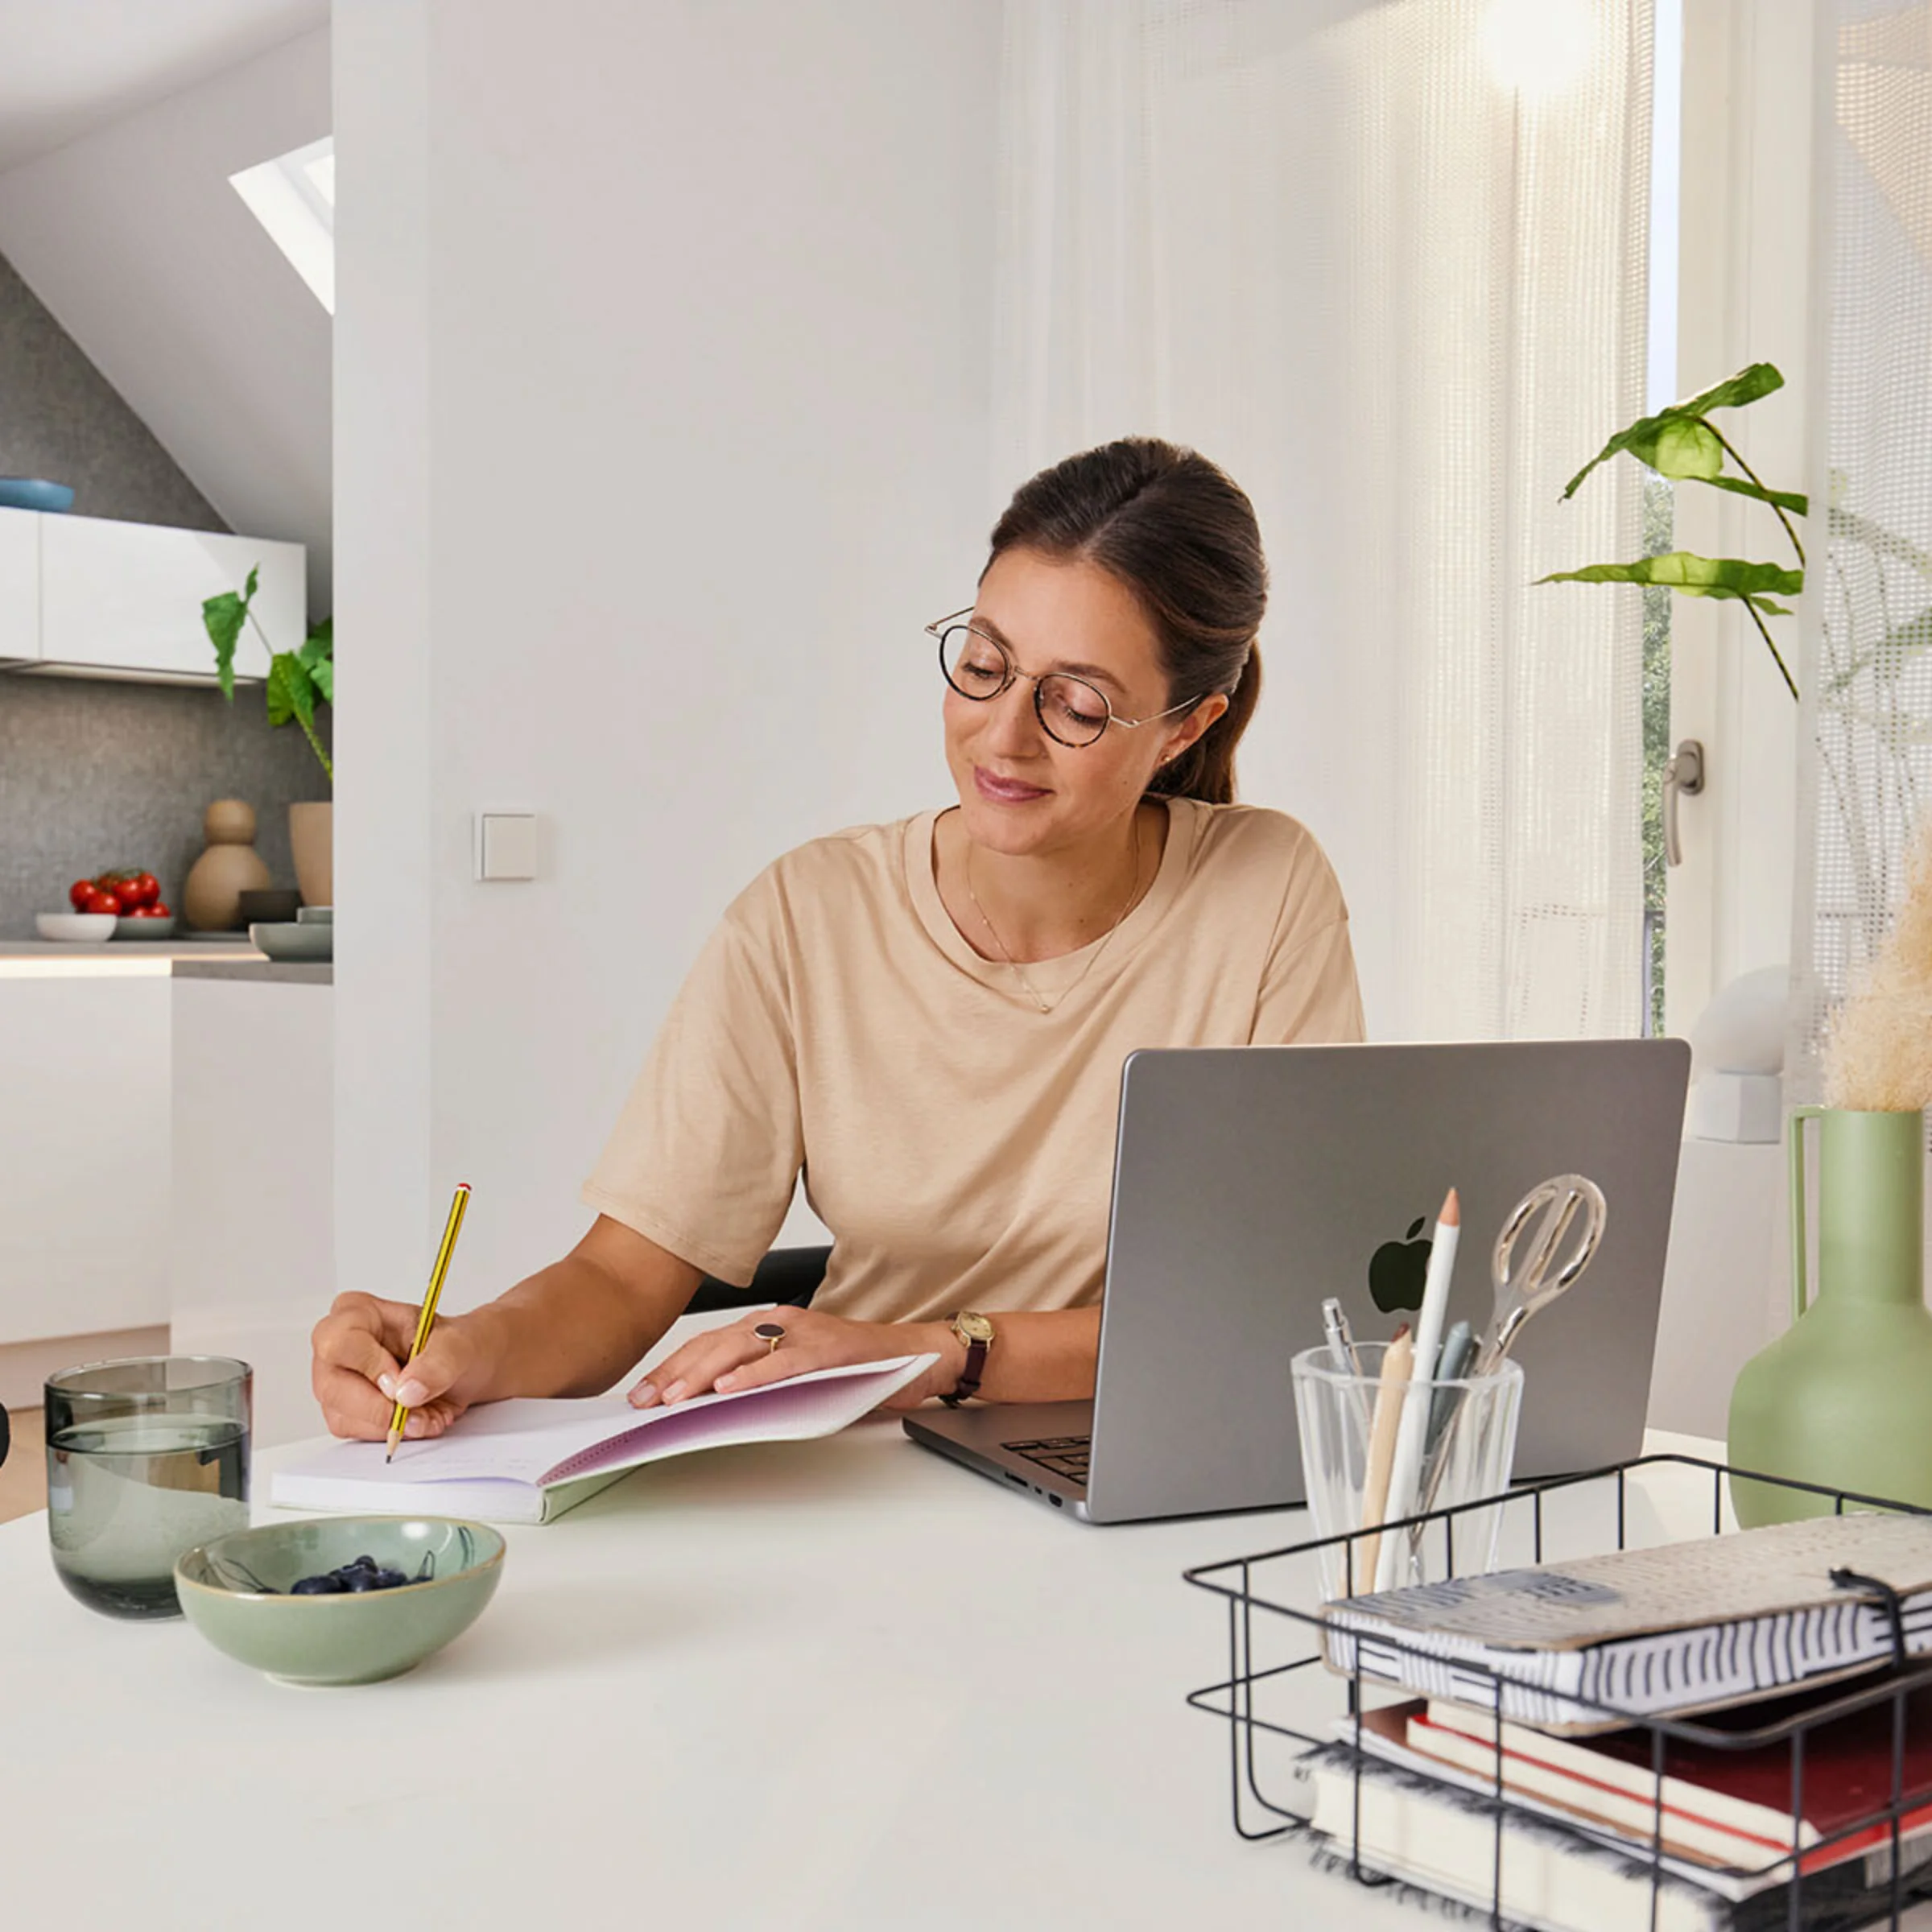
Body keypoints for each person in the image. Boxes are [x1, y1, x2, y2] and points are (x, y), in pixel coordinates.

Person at [312, 437, 1365, 1441]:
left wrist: (927, 1355)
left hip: (1145, 1471)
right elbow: (626, 1278)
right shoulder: (807, 914)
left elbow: (1272, 1302)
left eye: (1077, 704)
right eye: (986, 664)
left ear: (1185, 726)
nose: (1004, 734)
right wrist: (463, 1347)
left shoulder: (1264, 892)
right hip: (863, 1471)